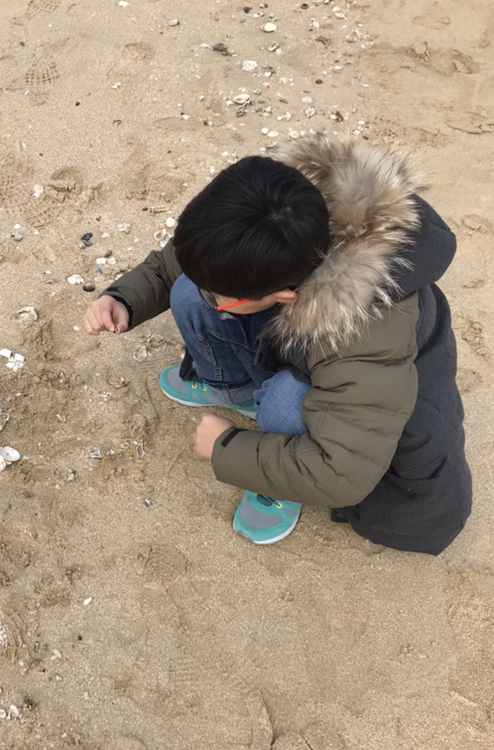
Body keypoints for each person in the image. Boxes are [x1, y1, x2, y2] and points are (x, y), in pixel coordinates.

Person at [83, 134, 471, 555]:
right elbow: (190, 257)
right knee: (189, 293)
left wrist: (227, 448)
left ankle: (277, 483)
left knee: (287, 400)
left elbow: (343, 471)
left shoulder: (364, 336)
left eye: (222, 299)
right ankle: (234, 391)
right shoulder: (282, 206)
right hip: (312, 348)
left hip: (367, 423)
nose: (212, 299)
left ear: (285, 295)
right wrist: (124, 299)